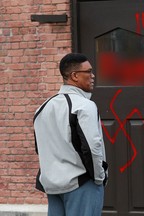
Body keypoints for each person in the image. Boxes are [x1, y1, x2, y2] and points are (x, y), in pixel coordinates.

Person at [33, 53, 108, 216]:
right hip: (81, 183)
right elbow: (93, 148)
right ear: (74, 76)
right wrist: (99, 178)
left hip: (53, 186)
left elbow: (41, 148)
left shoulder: (42, 108)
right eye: (88, 72)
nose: (93, 76)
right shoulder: (84, 106)